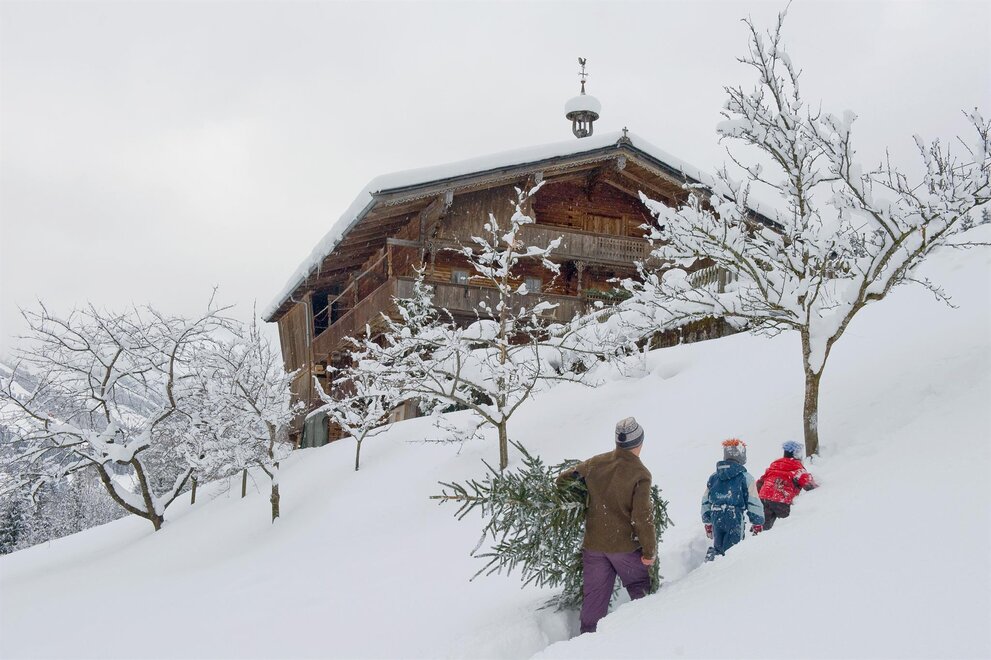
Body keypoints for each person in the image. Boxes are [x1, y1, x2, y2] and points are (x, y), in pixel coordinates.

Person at [556, 417, 656, 634]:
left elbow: (563, 480)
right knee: (641, 589)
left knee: (594, 598)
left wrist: (584, 491)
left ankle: (587, 640)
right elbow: (642, 517)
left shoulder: (596, 463)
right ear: (640, 442)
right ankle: (649, 633)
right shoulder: (640, 474)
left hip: (594, 546)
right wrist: (649, 552)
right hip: (624, 548)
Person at [701, 438, 765, 561]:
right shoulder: (745, 477)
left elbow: (706, 500)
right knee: (733, 551)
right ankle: (727, 569)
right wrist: (757, 522)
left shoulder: (714, 477)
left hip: (716, 514)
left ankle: (712, 563)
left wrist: (707, 521)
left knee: (719, 546)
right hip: (734, 516)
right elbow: (753, 501)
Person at [756, 440, 818, 530]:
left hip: (764, 498)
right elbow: (809, 485)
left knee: (764, 524)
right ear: (797, 455)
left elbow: (760, 483)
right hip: (781, 500)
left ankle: (758, 533)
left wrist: (755, 496)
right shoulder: (798, 469)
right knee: (786, 524)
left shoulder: (774, 466)